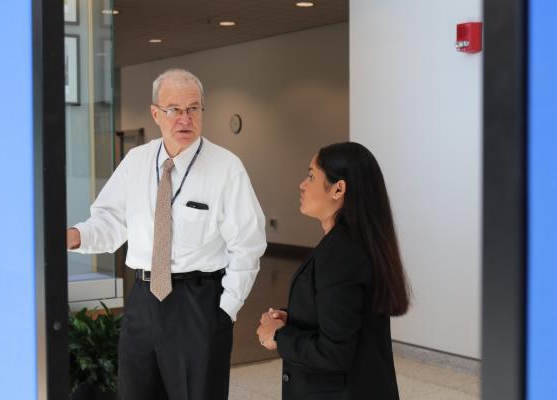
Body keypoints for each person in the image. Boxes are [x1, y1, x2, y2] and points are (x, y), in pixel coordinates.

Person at [67, 68, 266, 400]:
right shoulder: (136, 161)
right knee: (136, 390)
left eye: (193, 108)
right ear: (156, 113)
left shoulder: (225, 167)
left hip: (199, 300)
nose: (184, 118)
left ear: (202, 111)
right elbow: (111, 221)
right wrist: (76, 236)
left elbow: (247, 244)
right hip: (144, 297)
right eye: (174, 109)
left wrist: (225, 309)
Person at [257, 142, 410, 399]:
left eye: (311, 176)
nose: (302, 185)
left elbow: (334, 352)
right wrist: (292, 319)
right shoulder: (353, 244)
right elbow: (346, 318)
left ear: (338, 189)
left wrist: (279, 337)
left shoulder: (340, 254)